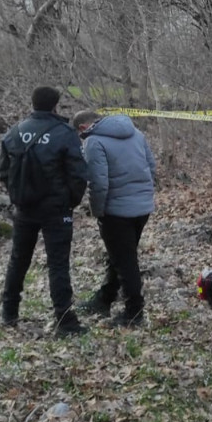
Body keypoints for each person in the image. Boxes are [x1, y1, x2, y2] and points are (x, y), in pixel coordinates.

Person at [0, 86, 89, 336]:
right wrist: (71, 201)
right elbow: (79, 173)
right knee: (58, 264)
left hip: (24, 208)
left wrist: (18, 196)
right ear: (55, 105)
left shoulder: (15, 132)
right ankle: (65, 320)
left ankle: (9, 313)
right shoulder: (64, 133)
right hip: (56, 209)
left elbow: (3, 171)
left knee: (18, 259)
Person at [71, 110, 157, 327]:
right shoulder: (136, 133)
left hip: (116, 211)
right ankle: (105, 298)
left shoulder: (93, 142)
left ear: (82, 127)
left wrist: (97, 211)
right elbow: (152, 166)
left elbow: (98, 183)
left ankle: (134, 312)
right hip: (142, 208)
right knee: (119, 255)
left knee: (125, 261)